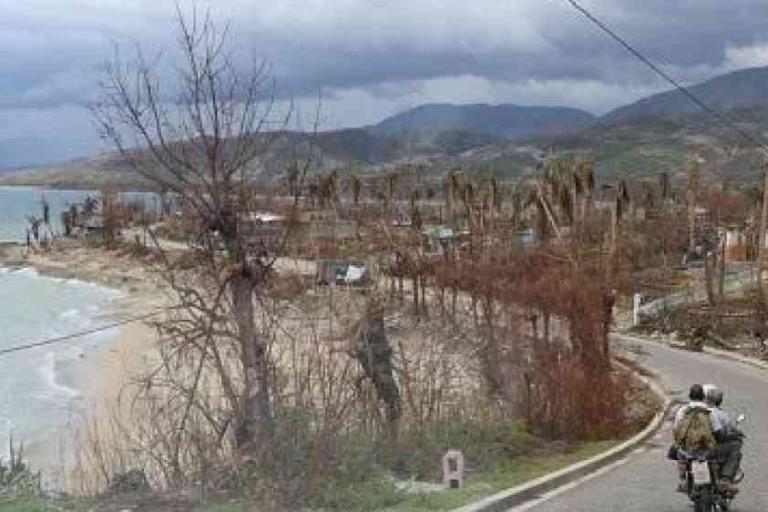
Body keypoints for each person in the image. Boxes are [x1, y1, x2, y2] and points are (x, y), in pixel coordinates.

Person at [671, 384, 723, 492]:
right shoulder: (709, 411)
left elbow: (676, 428)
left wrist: (679, 442)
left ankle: (683, 480)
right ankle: (716, 481)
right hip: (706, 450)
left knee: (678, 453)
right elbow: (718, 430)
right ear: (703, 397)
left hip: (687, 451)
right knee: (715, 459)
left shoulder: (683, 410)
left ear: (690, 396)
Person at [703, 384, 743, 496]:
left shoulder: (688, 411)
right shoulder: (719, 414)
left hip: (693, 449)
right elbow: (721, 433)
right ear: (719, 400)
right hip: (711, 449)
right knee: (735, 446)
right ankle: (725, 479)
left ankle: (684, 477)